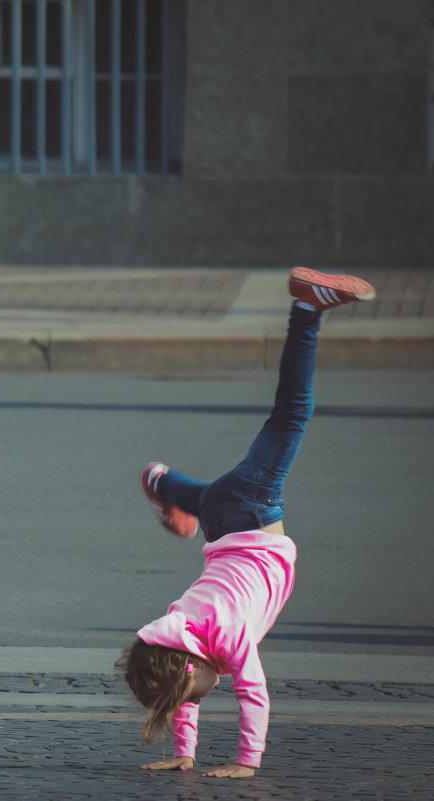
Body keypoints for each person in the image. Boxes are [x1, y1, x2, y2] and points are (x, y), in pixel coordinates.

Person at [117, 267, 376, 778]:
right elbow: (182, 693)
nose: (198, 700)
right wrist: (184, 754)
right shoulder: (179, 631)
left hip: (250, 508)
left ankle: (306, 306)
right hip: (219, 522)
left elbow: (253, 693)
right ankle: (161, 481)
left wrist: (245, 763)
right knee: (208, 496)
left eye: (192, 694)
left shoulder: (226, 635)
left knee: (293, 412)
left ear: (190, 665)